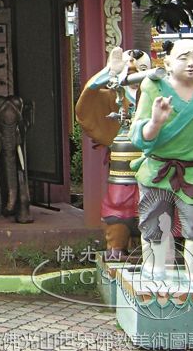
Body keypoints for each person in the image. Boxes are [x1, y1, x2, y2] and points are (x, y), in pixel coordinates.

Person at [130, 39, 193, 289]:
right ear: (168, 62)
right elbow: (138, 135)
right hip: (158, 170)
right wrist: (156, 123)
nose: (191, 63)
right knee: (154, 224)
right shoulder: (153, 86)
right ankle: (155, 269)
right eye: (184, 57)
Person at [75, 46, 159, 259]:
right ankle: (116, 247)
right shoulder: (113, 94)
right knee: (118, 206)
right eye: (129, 68)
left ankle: (154, 251)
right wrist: (109, 73)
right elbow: (85, 106)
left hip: (152, 158)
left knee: (157, 205)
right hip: (123, 157)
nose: (134, 72)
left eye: (140, 68)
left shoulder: (157, 94)